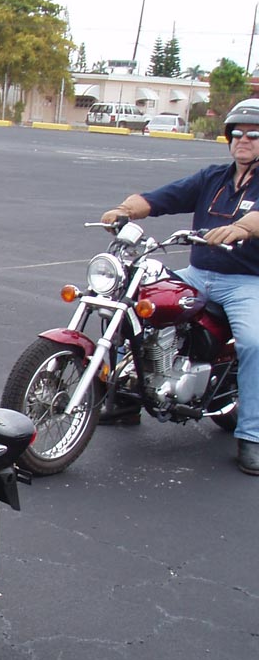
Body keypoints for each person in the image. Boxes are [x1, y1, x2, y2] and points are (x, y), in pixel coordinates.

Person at [100, 98, 259, 475]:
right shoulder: (213, 178)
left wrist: (242, 228)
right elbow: (163, 197)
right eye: (237, 133)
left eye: (254, 135)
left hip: (245, 282)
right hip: (197, 274)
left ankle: (251, 435)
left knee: (254, 343)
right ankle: (126, 400)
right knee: (131, 307)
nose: (244, 140)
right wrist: (125, 210)